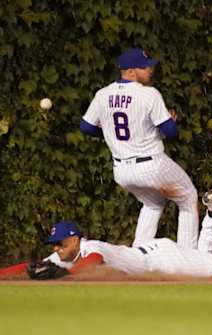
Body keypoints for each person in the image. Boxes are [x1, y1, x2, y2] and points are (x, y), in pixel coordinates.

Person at [26, 177, 212, 279]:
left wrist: (60, 277)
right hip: (156, 254)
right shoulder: (63, 257)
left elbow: (93, 262)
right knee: (207, 258)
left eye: (61, 243)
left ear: (75, 240)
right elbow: (32, 267)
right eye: (55, 245)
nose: (56, 248)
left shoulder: (90, 248)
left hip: (164, 258)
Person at [79, 47, 198, 249]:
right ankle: (188, 258)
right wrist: (171, 121)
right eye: (145, 67)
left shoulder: (102, 94)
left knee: (153, 204)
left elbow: (86, 126)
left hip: (122, 171)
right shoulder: (148, 94)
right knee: (188, 197)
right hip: (152, 166)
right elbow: (171, 132)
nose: (149, 70)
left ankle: (138, 257)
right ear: (131, 71)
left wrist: (108, 135)